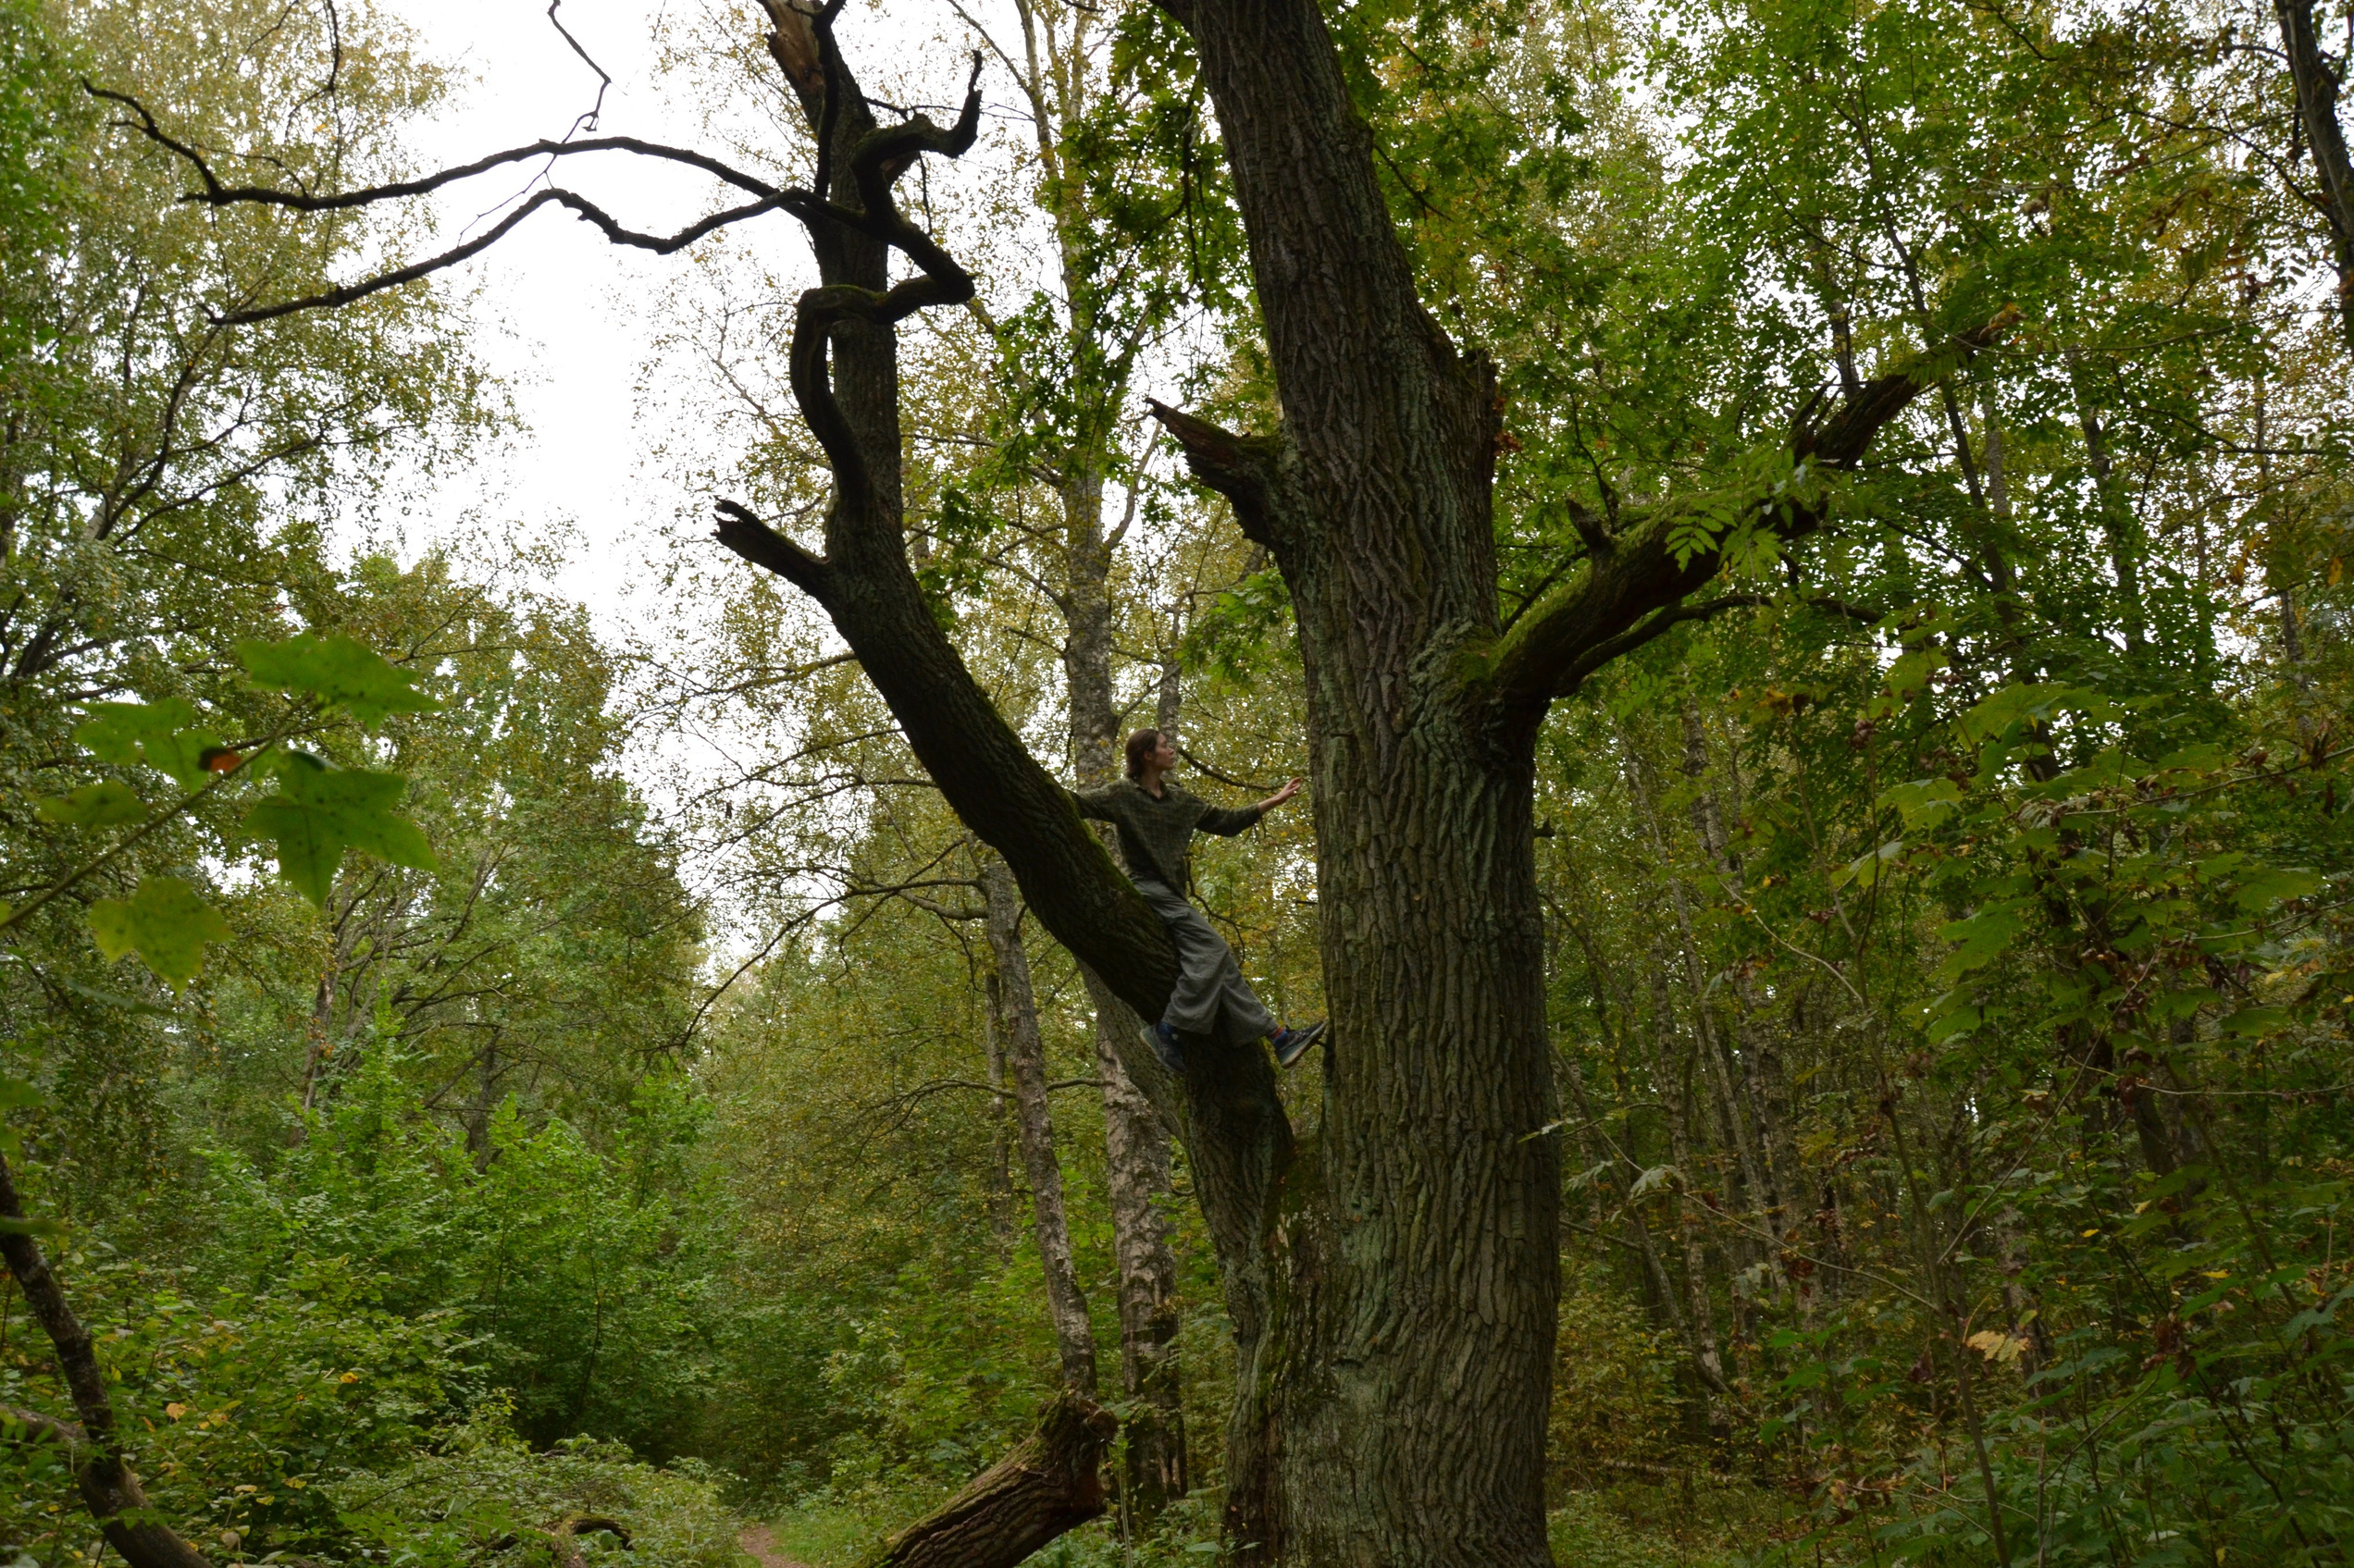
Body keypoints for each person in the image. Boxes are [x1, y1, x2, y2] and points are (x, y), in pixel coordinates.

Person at [1072, 728, 1326, 1073]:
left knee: (1221, 966)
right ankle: (1167, 1029)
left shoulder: (1178, 800)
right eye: (1164, 746)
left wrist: (1275, 800)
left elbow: (1225, 822)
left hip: (1173, 895)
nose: (1172, 750)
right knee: (1216, 950)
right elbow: (1077, 803)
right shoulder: (1122, 794)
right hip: (1146, 888)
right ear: (1147, 755)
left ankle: (1279, 1037)